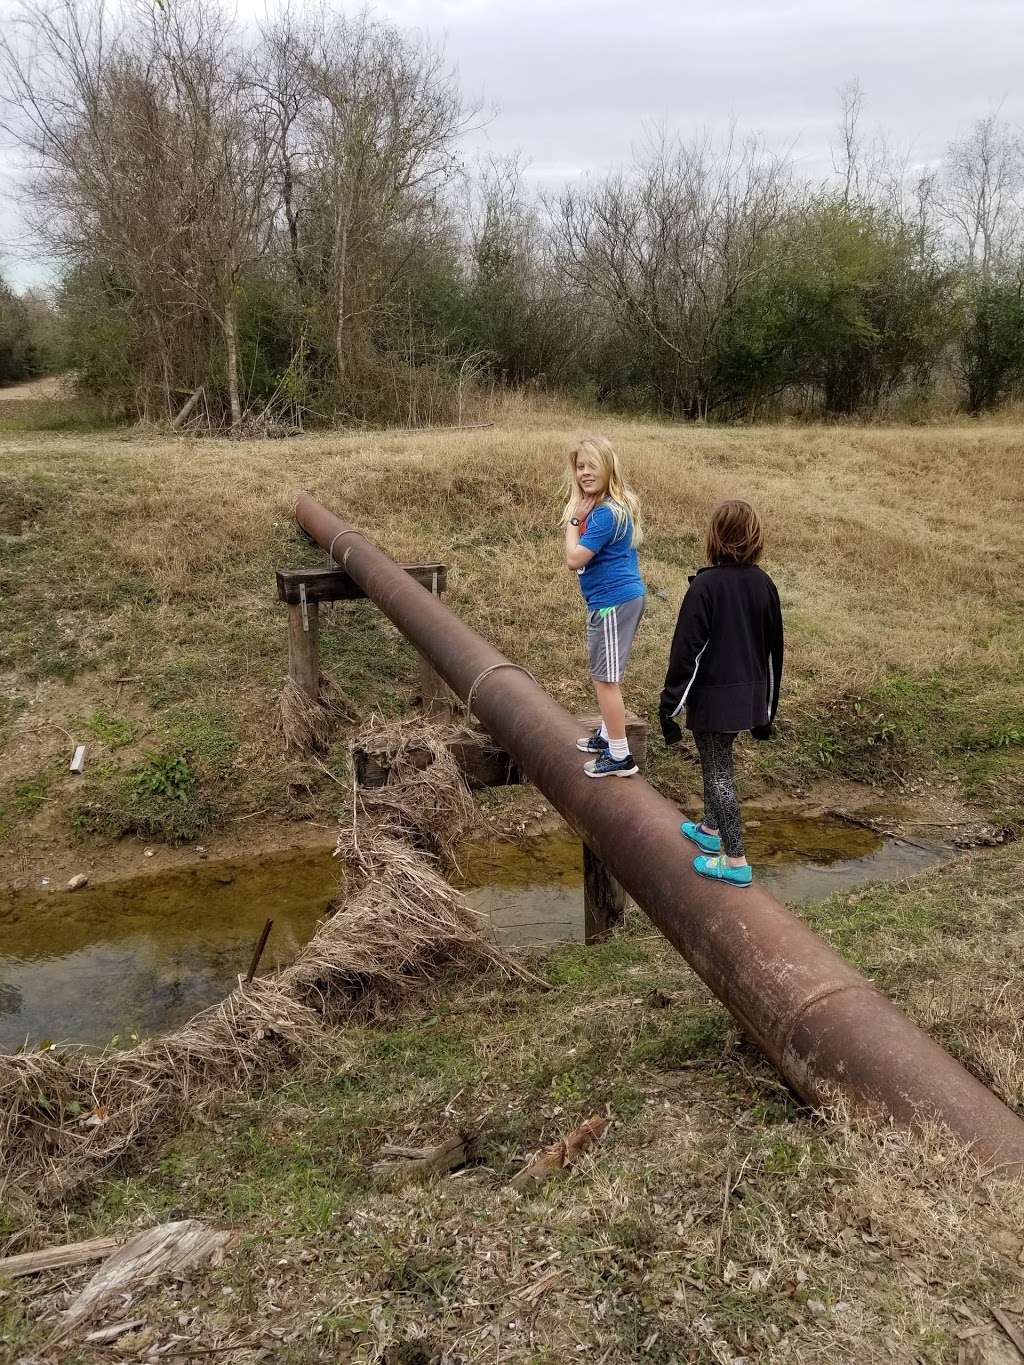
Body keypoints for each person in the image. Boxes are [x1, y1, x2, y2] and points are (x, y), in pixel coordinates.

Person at [659, 499, 783, 885]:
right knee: (718, 760)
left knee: (718, 773)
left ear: (714, 538)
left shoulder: (705, 587)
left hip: (713, 698)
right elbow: (773, 649)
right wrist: (767, 709)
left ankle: (735, 861)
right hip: (747, 698)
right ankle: (711, 831)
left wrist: (669, 706)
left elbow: (686, 653)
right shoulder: (764, 584)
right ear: (755, 538)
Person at [562, 435, 646, 778]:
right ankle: (607, 733)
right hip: (611, 601)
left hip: (613, 603)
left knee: (605, 679)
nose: (584, 472)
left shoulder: (606, 514)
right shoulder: (602, 509)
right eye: (580, 466)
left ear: (608, 467)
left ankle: (621, 755)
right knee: (604, 673)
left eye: (591, 466)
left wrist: (572, 523)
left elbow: (574, 558)